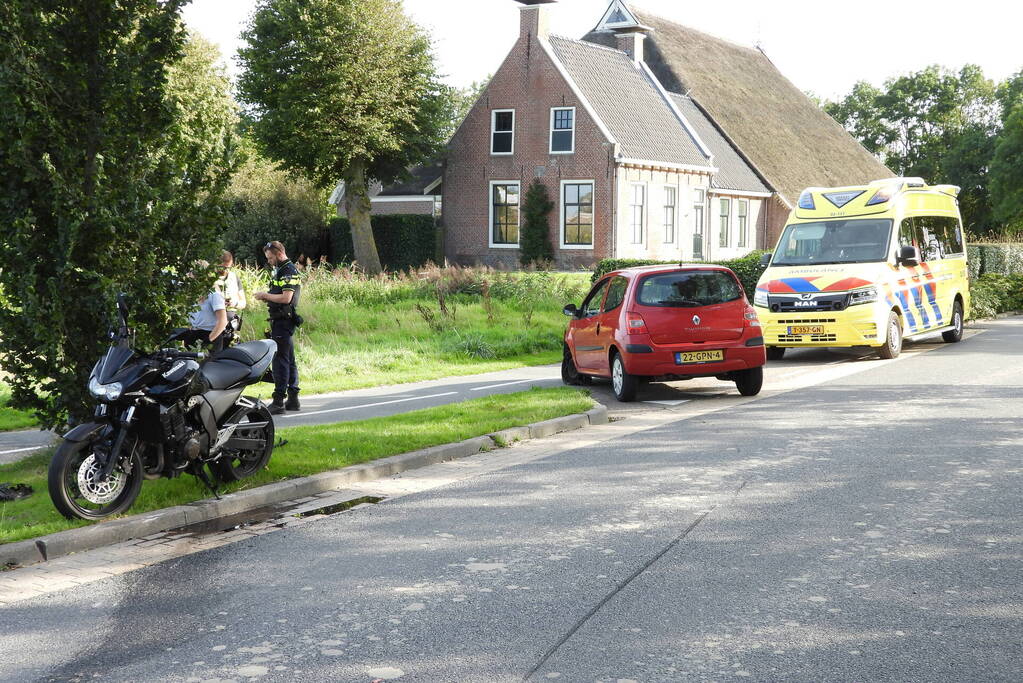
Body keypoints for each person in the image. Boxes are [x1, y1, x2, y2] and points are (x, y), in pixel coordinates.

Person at [254, 241, 301, 414]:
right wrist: (270, 297)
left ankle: (279, 400)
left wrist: (265, 295)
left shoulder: (288, 271)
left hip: (283, 320)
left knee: (280, 360)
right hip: (281, 319)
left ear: (279, 253)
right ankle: (293, 398)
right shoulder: (282, 269)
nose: (269, 261)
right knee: (289, 358)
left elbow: (287, 298)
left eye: (271, 257)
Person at [183, 284, 229, 354]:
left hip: (211, 336)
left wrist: (208, 340)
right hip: (193, 335)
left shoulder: (214, 295)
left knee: (207, 364)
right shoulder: (192, 294)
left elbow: (223, 321)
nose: (189, 275)